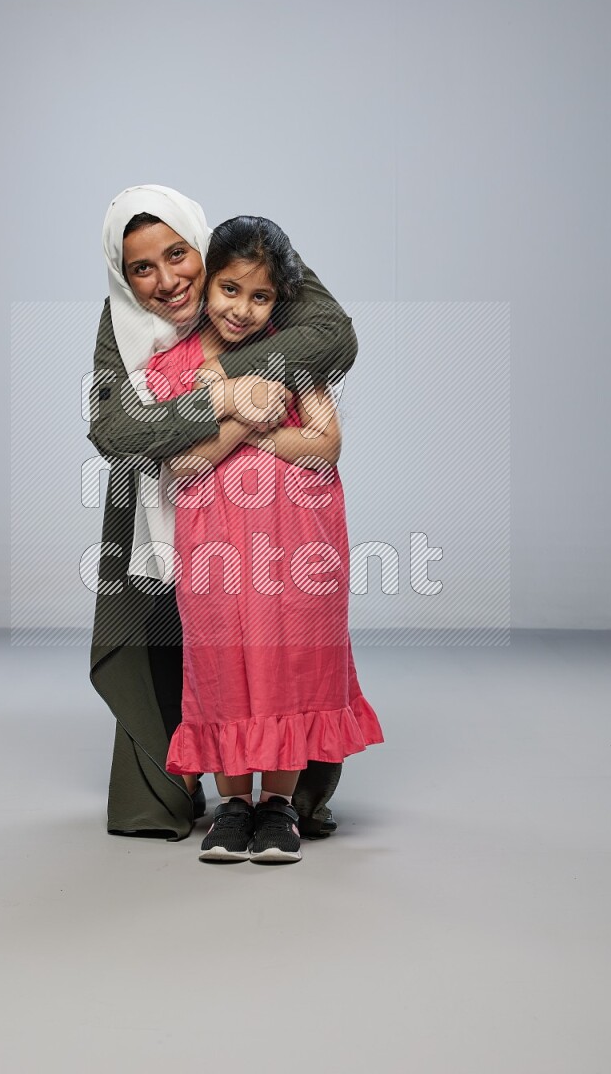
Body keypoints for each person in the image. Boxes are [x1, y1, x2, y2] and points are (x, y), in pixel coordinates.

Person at [87, 185, 359, 841]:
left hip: (280, 522)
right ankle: (173, 787)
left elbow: (333, 337)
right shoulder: (120, 326)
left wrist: (236, 374)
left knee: (285, 648)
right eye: (141, 268)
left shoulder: (250, 262)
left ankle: (287, 797)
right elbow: (116, 430)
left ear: (202, 248)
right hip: (163, 497)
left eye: (178, 255)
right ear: (122, 275)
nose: (166, 280)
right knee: (177, 642)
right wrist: (227, 400)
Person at [142, 216, 384, 862]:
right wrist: (248, 412)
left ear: (278, 301)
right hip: (216, 548)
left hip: (301, 543)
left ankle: (277, 804)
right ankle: (234, 806)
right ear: (206, 284)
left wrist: (238, 422)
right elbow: (182, 462)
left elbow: (326, 444)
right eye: (230, 289)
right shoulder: (176, 367)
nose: (242, 309)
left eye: (261, 296)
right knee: (222, 662)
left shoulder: (292, 355)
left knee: (291, 663)